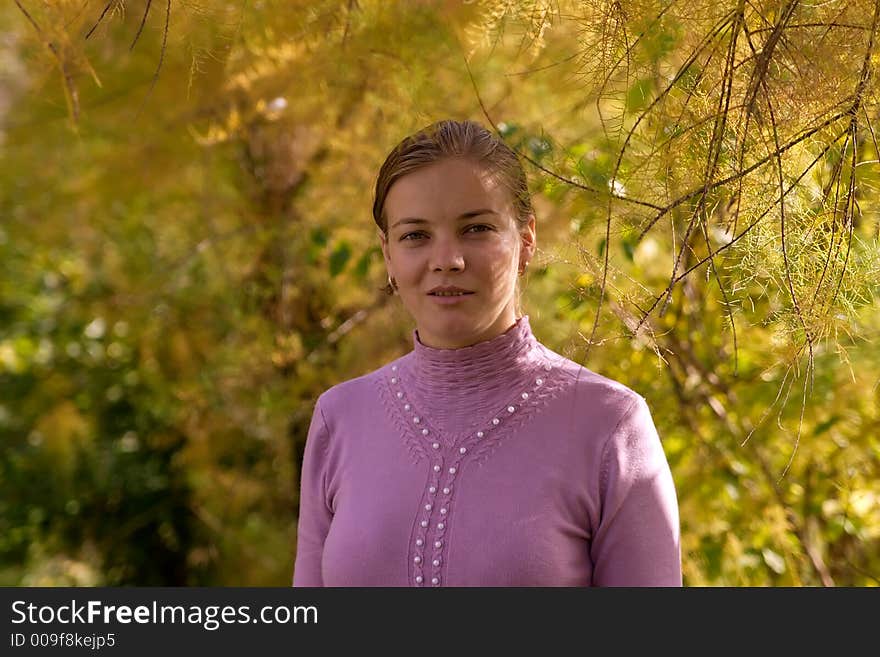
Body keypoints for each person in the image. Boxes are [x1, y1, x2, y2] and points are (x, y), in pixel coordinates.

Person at [292, 119, 681, 586]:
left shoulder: (610, 425)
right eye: (415, 235)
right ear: (388, 254)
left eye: (476, 229)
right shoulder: (340, 419)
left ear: (526, 240)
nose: (447, 260)